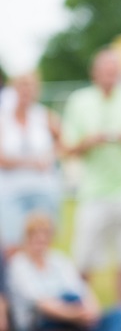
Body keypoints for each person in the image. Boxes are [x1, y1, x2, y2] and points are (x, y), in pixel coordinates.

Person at [61, 48, 121, 307]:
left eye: (114, 71)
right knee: (84, 256)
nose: (110, 76)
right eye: (105, 71)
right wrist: (88, 142)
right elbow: (68, 148)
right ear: (94, 73)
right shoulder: (79, 101)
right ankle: (80, 306)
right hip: (94, 191)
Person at [6, 212, 121, 331]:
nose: (41, 238)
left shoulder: (59, 260)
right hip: (42, 321)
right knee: (69, 298)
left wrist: (91, 312)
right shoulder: (19, 265)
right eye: (35, 234)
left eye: (45, 233)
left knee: (120, 315)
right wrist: (74, 314)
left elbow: (82, 290)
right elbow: (41, 303)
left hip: (75, 316)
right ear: (26, 237)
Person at [0, 71, 64, 256]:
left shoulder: (44, 116)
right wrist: (31, 162)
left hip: (43, 188)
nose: (26, 92)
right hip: (12, 190)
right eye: (22, 87)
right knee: (12, 243)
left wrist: (50, 156)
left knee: (42, 240)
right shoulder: (4, 119)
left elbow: (63, 143)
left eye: (30, 87)